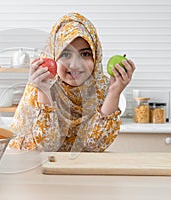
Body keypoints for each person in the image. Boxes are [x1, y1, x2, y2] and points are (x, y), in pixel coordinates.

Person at [9, 12, 135, 152]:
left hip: (80, 170)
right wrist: (43, 91)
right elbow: (47, 146)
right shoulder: (42, 85)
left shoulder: (102, 89)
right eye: (66, 54)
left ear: (96, 56)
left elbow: (95, 146)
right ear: (54, 56)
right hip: (38, 169)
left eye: (85, 54)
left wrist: (113, 93)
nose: (75, 65)